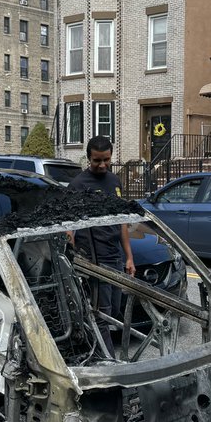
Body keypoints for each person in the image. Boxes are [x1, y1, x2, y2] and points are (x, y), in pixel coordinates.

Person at [68, 135, 135, 352]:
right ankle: (108, 358)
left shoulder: (115, 181)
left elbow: (122, 221)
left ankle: (95, 346)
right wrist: (73, 255)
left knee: (114, 310)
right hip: (93, 259)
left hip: (114, 256)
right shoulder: (78, 184)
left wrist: (129, 257)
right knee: (101, 313)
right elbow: (69, 224)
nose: (102, 165)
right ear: (89, 158)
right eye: (97, 160)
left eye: (106, 159)